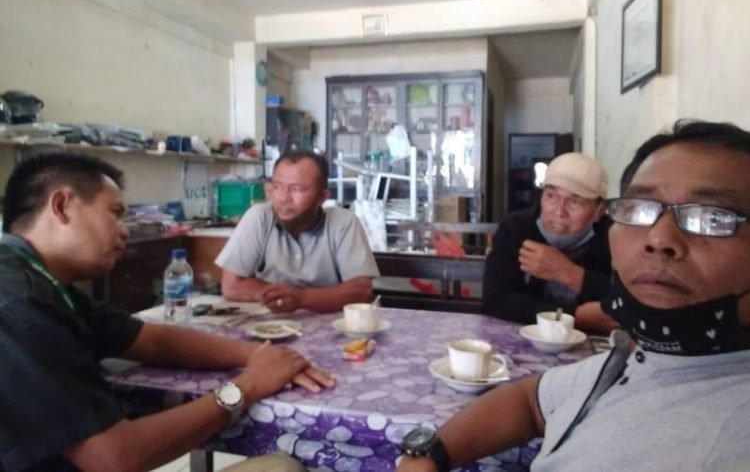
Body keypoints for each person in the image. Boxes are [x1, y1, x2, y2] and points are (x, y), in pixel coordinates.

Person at [397, 120, 750, 472]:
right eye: (641, 209)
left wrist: (569, 274)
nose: (658, 238)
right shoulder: (634, 358)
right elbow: (529, 395)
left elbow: (612, 297)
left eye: (711, 218)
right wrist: (428, 456)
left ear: (599, 212)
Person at [0, 152, 334, 472]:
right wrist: (247, 386)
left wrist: (257, 355)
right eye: (115, 213)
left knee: (282, 466)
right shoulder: (19, 302)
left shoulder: (44, 285)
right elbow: (116, 459)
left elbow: (151, 340)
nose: (124, 230)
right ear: (61, 205)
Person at [217, 150, 379, 313]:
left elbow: (362, 290)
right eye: (277, 187)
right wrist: (280, 297)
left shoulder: (343, 223)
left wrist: (301, 298)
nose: (283, 198)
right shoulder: (259, 217)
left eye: (296, 189)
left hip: (331, 324)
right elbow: (231, 286)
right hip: (271, 324)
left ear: (322, 197)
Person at [482, 152, 615, 333]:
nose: (559, 212)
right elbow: (495, 300)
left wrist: (570, 274)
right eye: (551, 196)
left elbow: (632, 301)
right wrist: (573, 316)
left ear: (599, 210)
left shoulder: (615, 237)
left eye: (575, 201)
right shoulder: (516, 228)